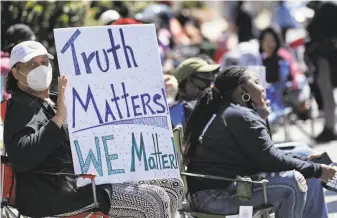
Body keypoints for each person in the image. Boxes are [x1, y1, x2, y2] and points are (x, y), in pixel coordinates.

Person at [3, 41, 184, 218]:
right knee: (153, 201)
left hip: (89, 177)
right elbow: (22, 158)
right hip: (59, 191)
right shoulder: (21, 107)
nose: (40, 68)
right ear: (16, 73)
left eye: (44, 62)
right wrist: (58, 119)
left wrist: (150, 89)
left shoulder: (53, 98)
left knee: (173, 185)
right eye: (32, 65)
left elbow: (107, 104)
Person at [183, 66, 336, 218]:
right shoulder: (238, 116)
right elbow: (269, 160)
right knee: (292, 183)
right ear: (242, 90)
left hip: (214, 192)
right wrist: (315, 169)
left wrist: (306, 163)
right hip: (215, 198)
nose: (262, 88)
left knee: (306, 165)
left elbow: (264, 153)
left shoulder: (229, 111)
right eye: (256, 82)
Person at [306, 1, 337, 142]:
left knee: (327, 95)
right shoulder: (326, 7)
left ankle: (329, 128)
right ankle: (329, 127)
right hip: (326, 58)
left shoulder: (327, 8)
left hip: (326, 59)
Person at [173, 57, 220, 125]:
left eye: (210, 80)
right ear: (187, 80)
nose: (209, 87)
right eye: (204, 80)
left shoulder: (211, 107)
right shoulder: (170, 111)